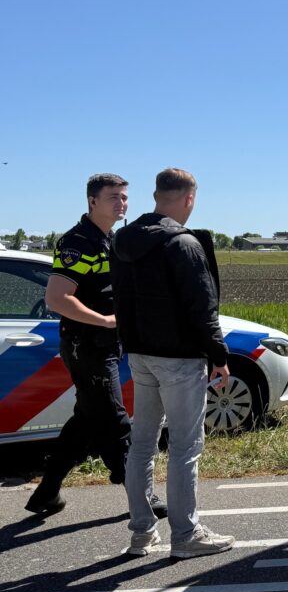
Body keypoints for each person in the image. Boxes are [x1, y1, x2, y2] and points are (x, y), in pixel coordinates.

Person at [25, 174, 166, 520]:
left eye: (125, 197)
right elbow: (57, 298)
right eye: (113, 197)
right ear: (92, 201)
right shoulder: (78, 242)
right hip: (86, 347)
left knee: (86, 420)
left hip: (105, 345)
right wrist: (104, 321)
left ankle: (46, 492)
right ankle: (141, 493)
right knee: (116, 422)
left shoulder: (110, 239)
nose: (122, 203)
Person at [112, 168, 234, 558]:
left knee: (143, 443)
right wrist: (218, 355)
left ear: (156, 195)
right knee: (185, 447)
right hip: (180, 358)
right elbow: (203, 307)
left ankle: (142, 532)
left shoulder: (122, 241)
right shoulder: (183, 244)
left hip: (140, 354)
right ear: (188, 199)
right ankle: (186, 534)